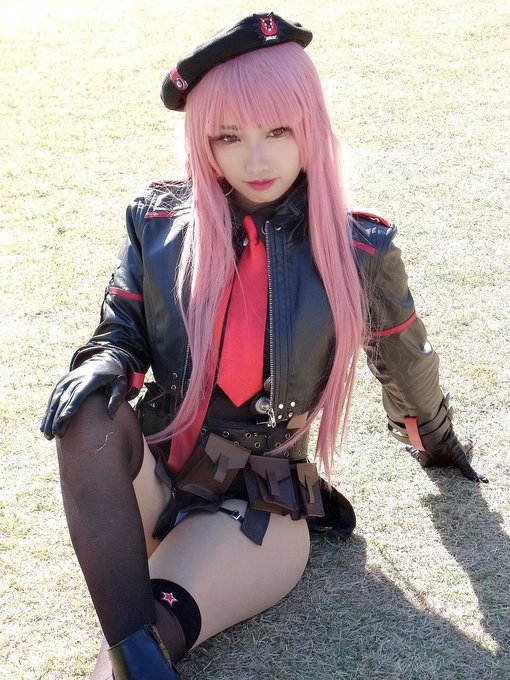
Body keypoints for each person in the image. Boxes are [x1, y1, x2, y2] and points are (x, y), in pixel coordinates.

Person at [41, 12, 487, 680]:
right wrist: (107, 362)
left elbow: (406, 371)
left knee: (146, 640)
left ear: (312, 125)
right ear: (204, 141)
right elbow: (121, 332)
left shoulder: (359, 250)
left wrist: (440, 445)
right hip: (152, 476)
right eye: (230, 135)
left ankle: (133, 646)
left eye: (279, 130)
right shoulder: (157, 223)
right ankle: (131, 636)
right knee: (85, 410)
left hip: (254, 508)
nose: (256, 158)